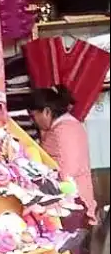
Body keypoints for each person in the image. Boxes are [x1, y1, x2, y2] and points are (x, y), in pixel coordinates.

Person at [30, 86, 97, 225]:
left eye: (34, 115)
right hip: (79, 199)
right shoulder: (72, 126)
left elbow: (65, 171)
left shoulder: (61, 131)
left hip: (70, 203)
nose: (33, 120)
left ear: (46, 111)